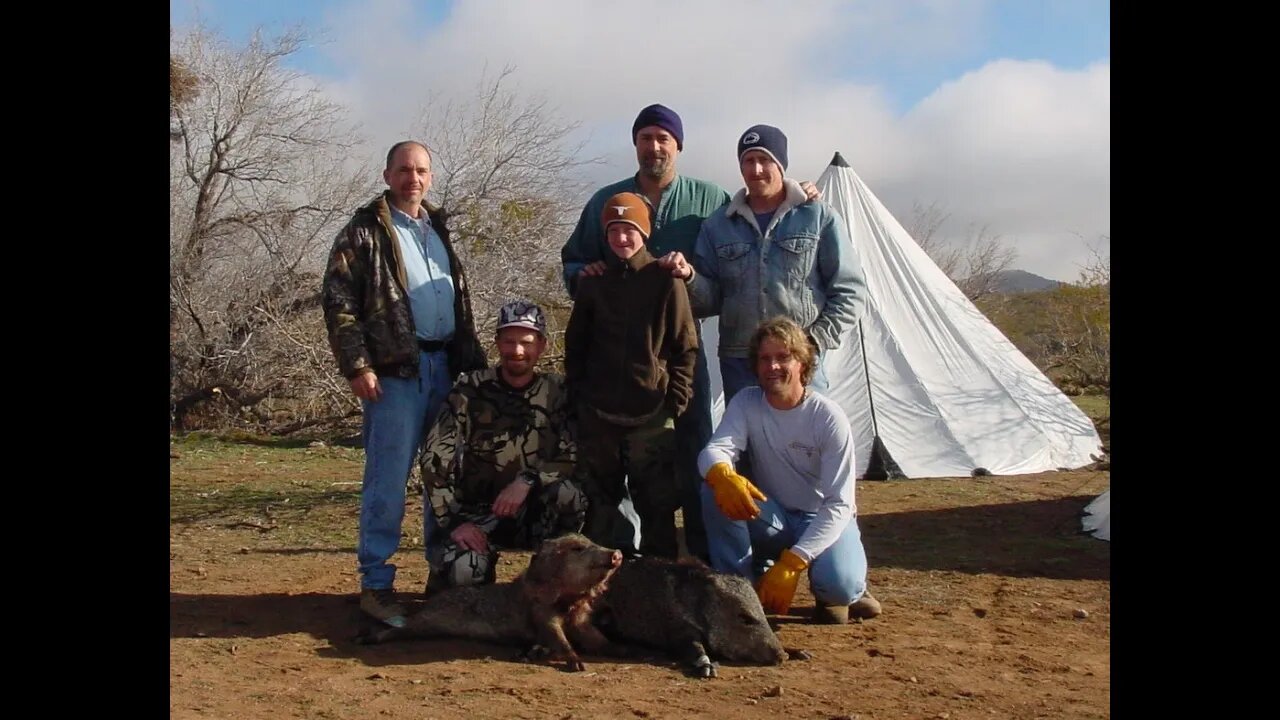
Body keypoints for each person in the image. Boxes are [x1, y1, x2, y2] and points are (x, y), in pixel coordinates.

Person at [321, 140, 487, 628]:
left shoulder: (438, 229)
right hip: (393, 374)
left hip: (443, 369)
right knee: (388, 483)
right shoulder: (364, 231)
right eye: (403, 170)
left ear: (430, 176)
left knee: (443, 477)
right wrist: (358, 366)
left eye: (421, 170)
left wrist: (471, 368)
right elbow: (338, 301)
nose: (413, 178)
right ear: (387, 174)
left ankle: (441, 578)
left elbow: (459, 305)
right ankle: (377, 585)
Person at [560, 104, 726, 561]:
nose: (653, 146)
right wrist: (584, 272)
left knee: (693, 453)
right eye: (645, 138)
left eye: (662, 138)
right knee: (620, 465)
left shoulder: (709, 200)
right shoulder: (605, 201)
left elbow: (735, 259)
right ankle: (626, 560)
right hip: (616, 364)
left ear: (678, 145)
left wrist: (798, 194)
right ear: (635, 144)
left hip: (678, 353)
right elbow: (573, 261)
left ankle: (698, 554)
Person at [662, 124, 867, 404]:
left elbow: (850, 290)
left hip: (800, 364)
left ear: (781, 164)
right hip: (741, 361)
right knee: (748, 446)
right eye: (748, 160)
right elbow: (709, 302)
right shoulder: (718, 225)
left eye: (765, 159)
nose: (756, 169)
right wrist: (689, 278)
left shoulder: (818, 217)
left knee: (804, 443)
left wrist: (813, 342)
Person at [697, 317, 881, 624]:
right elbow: (714, 450)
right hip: (776, 517)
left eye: (783, 357)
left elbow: (840, 504)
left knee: (840, 586)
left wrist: (792, 564)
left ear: (802, 363)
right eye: (765, 359)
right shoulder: (747, 403)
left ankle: (846, 590)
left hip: (821, 517)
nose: (773, 367)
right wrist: (722, 474)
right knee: (714, 489)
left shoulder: (828, 418)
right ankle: (739, 593)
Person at [565, 192, 698, 559]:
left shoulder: (666, 280)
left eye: (630, 230)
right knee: (603, 507)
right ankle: (607, 594)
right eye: (614, 231)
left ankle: (661, 590)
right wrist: (580, 397)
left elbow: (685, 346)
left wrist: (676, 401)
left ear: (644, 233)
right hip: (600, 415)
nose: (622, 239)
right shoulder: (593, 282)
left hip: (651, 415)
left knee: (656, 506)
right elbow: (576, 345)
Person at [420, 300, 587, 589]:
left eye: (526, 342)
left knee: (570, 495)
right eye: (509, 341)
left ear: (542, 345)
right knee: (464, 579)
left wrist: (527, 480)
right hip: (479, 514)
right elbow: (435, 455)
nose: (517, 351)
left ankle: (551, 572)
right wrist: (454, 521)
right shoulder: (470, 388)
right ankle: (459, 564)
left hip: (535, 511)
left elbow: (572, 453)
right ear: (497, 343)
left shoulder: (558, 391)